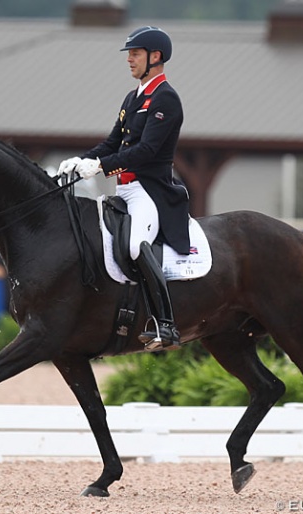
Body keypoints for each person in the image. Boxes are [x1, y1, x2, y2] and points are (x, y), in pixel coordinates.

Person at [57, 26, 189, 351]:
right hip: (124, 189)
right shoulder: (133, 98)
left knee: (134, 246)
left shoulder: (165, 99)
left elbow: (146, 151)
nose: (129, 59)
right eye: (129, 54)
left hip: (150, 190)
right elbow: (113, 142)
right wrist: (81, 160)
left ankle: (166, 325)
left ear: (155, 57)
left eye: (135, 53)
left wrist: (101, 167)